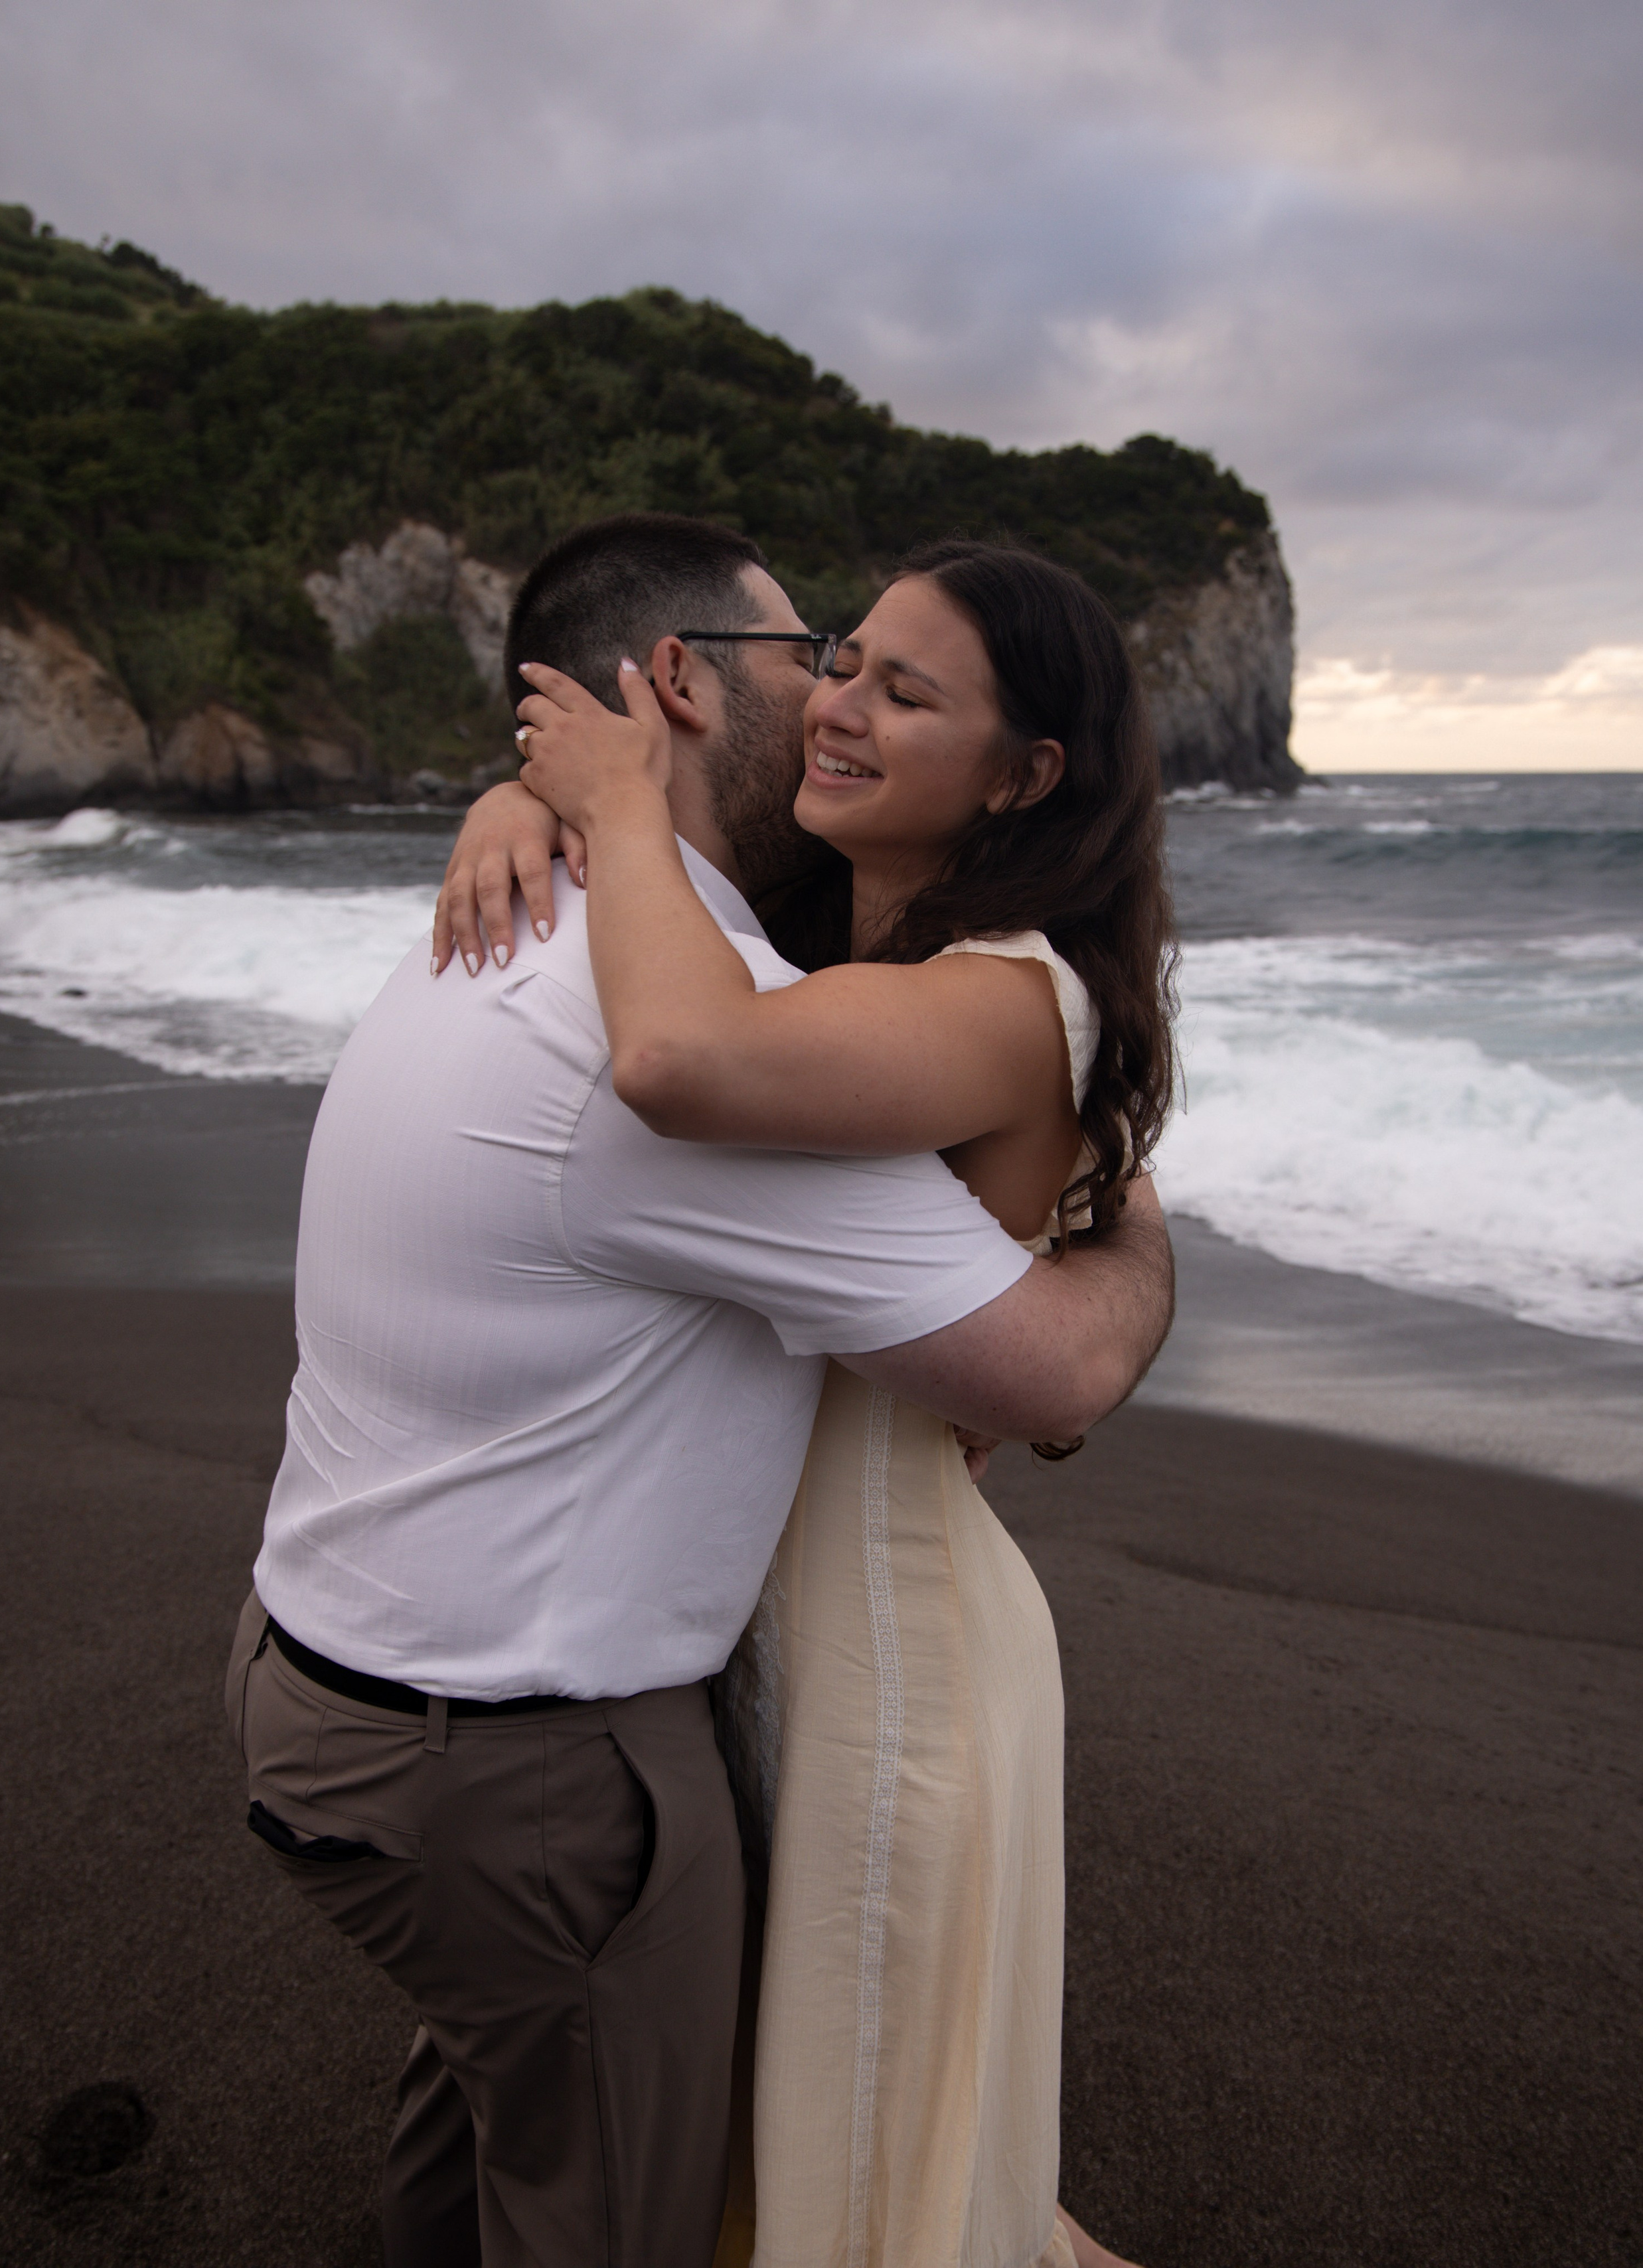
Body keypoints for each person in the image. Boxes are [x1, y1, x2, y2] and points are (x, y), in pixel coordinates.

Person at [231, 514, 1174, 2268]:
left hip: (615, 1663)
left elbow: (1060, 1368)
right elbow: (1054, 1355)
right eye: (823, 658)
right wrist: (561, 796)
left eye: (895, 687)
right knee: (654, 2158)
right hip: (519, 1744)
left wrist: (1119, 1207)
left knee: (706, 2113)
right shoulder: (692, 1000)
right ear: (677, 681)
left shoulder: (562, 937)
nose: (833, 700)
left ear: (1023, 773)